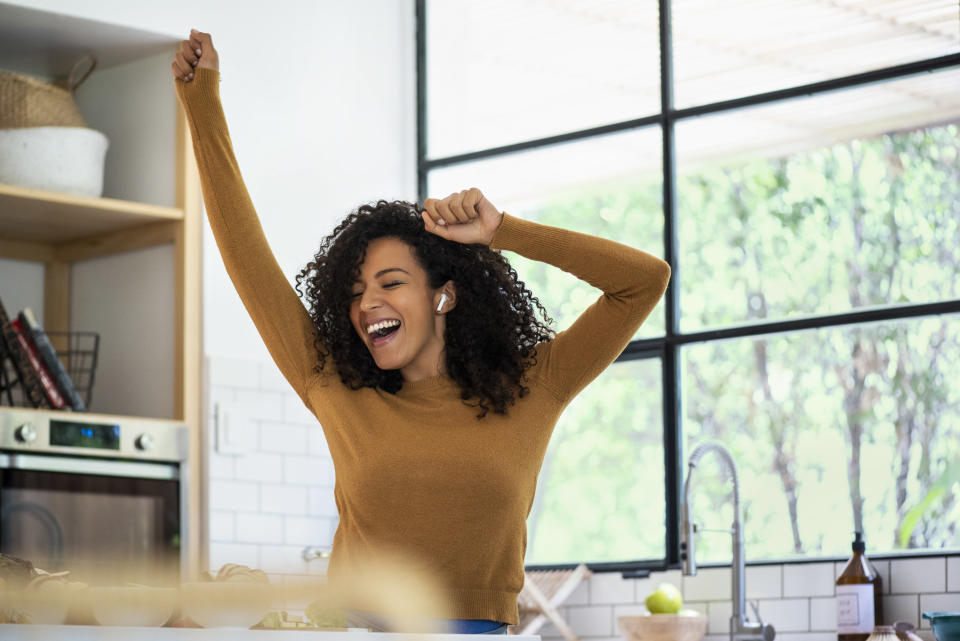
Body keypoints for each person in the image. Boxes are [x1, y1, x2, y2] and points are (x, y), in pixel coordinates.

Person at [171, 29, 671, 635]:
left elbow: (644, 281)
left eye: (389, 283)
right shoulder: (336, 387)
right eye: (355, 291)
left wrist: (503, 230)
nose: (367, 304)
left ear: (445, 294)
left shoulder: (534, 384)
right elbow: (246, 258)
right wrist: (204, 103)